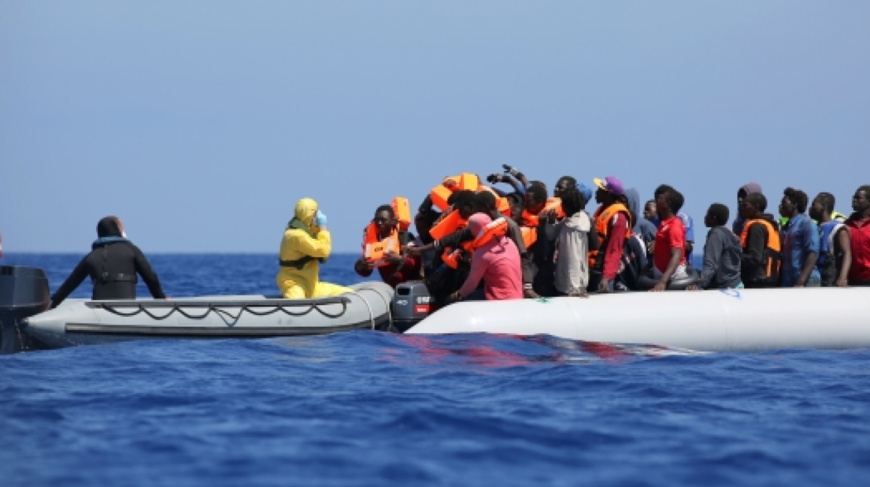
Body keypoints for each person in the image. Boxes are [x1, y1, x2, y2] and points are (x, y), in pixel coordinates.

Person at [49, 216, 166, 308]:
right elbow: (151, 279)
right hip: (127, 308)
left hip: (98, 309)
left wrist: (51, 305)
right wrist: (162, 301)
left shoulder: (91, 256)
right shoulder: (132, 250)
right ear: (118, 231)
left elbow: (68, 286)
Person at [276, 197, 352, 299]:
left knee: (349, 293)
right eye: (316, 213)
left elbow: (321, 254)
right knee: (297, 304)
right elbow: (323, 251)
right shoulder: (295, 235)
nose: (318, 216)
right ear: (309, 215)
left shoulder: (308, 233)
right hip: (293, 283)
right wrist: (323, 228)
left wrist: (317, 228)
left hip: (311, 286)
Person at [446, 213, 523, 302]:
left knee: (458, 302)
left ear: (474, 230)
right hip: (517, 295)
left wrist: (456, 296)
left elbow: (471, 284)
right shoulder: (509, 242)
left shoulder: (481, 254)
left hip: (498, 299)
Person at [354, 204, 422, 288]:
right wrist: (360, 266)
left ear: (393, 221)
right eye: (377, 220)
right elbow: (366, 273)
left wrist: (400, 260)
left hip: (409, 285)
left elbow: (416, 263)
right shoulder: (373, 241)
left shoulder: (404, 237)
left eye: (383, 220)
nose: (379, 223)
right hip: (389, 286)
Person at [543, 187, 592, 297]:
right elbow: (552, 234)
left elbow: (573, 257)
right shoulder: (573, 220)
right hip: (577, 281)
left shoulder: (573, 229)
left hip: (570, 286)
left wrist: (573, 288)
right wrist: (551, 222)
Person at [589, 176, 632, 293]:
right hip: (591, 270)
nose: (596, 192)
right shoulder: (601, 210)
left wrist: (606, 277)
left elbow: (615, 248)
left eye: (600, 190)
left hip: (602, 274)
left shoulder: (619, 217)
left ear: (608, 194)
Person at [687, 204, 742, 290]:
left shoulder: (716, 234)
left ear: (714, 218)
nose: (705, 217)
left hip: (725, 287)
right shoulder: (730, 233)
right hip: (736, 283)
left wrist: (699, 285)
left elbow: (711, 265)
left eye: (708, 214)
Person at [778, 187, 820, 287]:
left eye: (784, 202)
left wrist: (801, 281)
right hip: (788, 280)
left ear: (794, 204)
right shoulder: (786, 227)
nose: (781, 206)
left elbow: (813, 253)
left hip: (806, 281)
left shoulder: (806, 224)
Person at [649, 185, 689, 292]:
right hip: (660, 273)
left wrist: (663, 282)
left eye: (661, 198)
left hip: (673, 277)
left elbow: (676, 254)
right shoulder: (663, 224)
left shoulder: (674, 226)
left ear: (668, 204)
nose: (657, 200)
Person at [738, 193, 781, 288]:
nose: (742, 207)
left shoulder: (757, 227)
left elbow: (755, 258)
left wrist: (732, 258)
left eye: (745, 205)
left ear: (756, 207)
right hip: (770, 278)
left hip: (757, 281)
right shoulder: (770, 225)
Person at [809, 192, 851, 287]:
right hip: (815, 277)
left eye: (814, 205)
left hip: (830, 277)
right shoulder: (814, 228)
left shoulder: (838, 228)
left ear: (823, 206)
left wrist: (842, 278)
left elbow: (847, 253)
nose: (811, 208)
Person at [845, 185, 870, 286]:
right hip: (853, 280)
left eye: (858, 198)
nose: (854, 200)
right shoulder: (847, 224)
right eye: (853, 197)